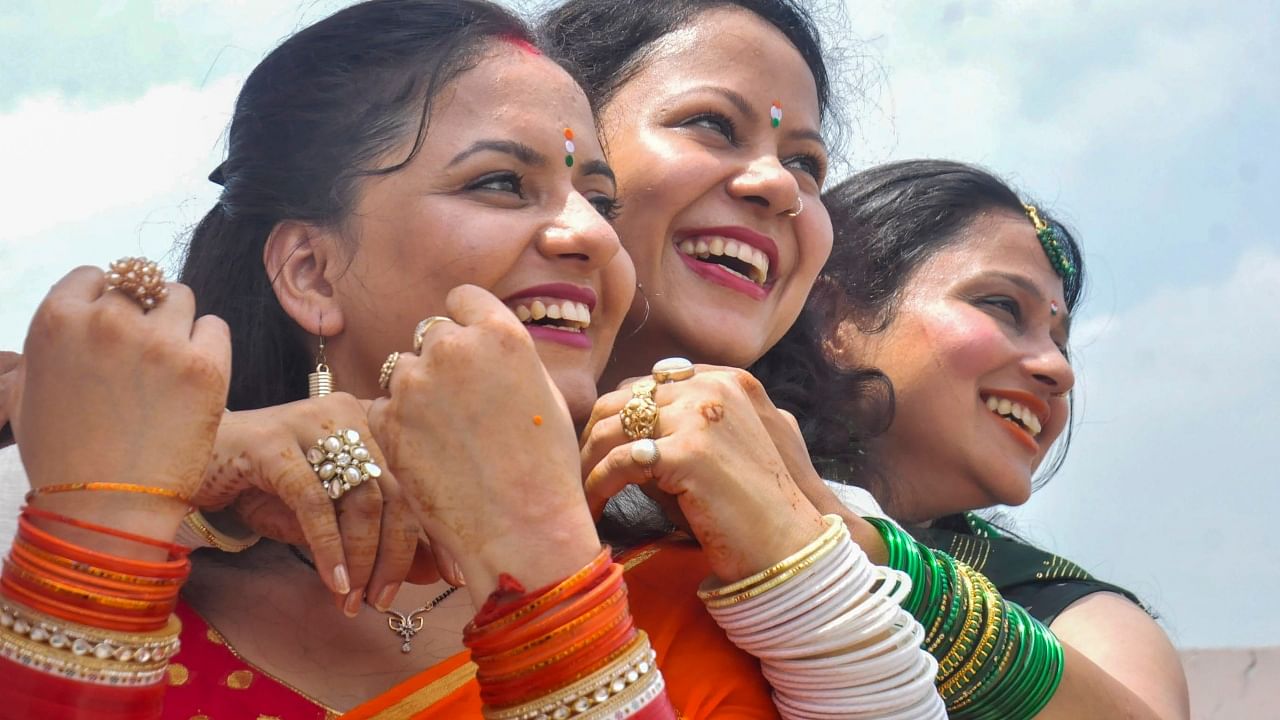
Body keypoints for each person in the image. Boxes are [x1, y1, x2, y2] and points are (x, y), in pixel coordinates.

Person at [0, 2, 943, 718]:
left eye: (600, 201)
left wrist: (541, 552)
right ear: (310, 268)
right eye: (500, 183)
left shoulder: (709, 586)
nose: (587, 236)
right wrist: (106, 526)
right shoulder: (72, 519)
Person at [758, 159, 1191, 718]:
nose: (1059, 372)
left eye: (1060, 342)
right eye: (1004, 307)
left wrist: (871, 563)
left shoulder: (1086, 627)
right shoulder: (664, 504)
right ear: (835, 318)